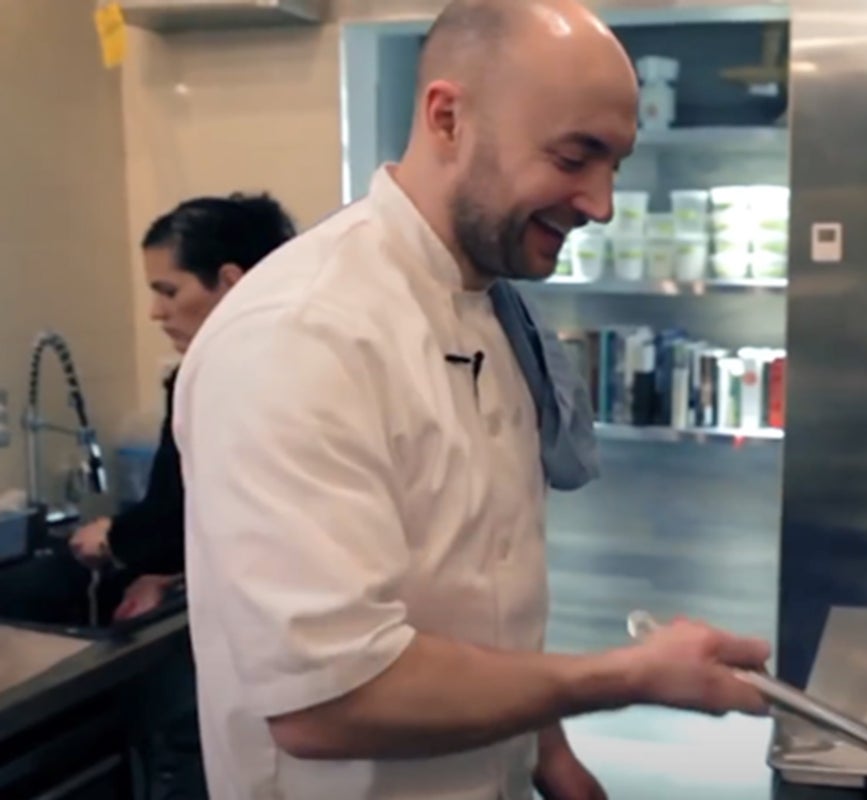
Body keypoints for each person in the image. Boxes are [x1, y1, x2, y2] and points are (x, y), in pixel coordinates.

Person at [172, 1, 772, 798]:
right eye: (574, 157)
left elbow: (484, 590)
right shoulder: (298, 335)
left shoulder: (493, 308)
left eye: (615, 165)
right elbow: (325, 703)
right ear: (448, 118)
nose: (601, 204)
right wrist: (626, 675)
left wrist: (552, 760)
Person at [69, 192, 296, 620]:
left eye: (169, 292)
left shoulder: (214, 380)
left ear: (231, 282)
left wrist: (113, 538)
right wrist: (175, 573)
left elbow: (176, 518)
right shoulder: (300, 359)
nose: (156, 312)